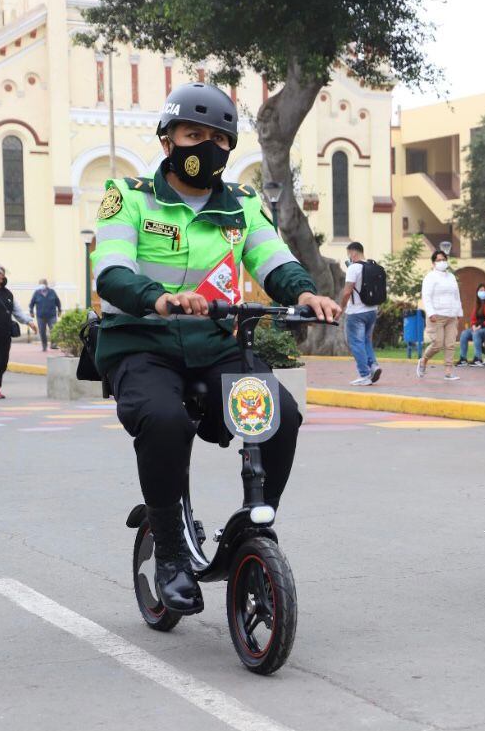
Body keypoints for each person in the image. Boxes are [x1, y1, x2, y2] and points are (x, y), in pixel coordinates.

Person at [91, 83, 341, 614]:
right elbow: (111, 270)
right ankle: (172, 553)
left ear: (228, 148)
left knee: (282, 414)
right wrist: (156, 299)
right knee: (163, 419)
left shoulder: (244, 205)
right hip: (143, 343)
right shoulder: (128, 195)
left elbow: (272, 259)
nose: (204, 146)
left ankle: (258, 523)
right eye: (192, 134)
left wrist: (304, 292)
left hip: (211, 344)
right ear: (168, 141)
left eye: (217, 139)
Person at [416, 250, 462, 381]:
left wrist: (459, 311)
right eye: (438, 260)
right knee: (438, 344)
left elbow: (456, 295)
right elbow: (426, 296)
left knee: (450, 344)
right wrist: (431, 312)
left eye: (444, 259)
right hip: (437, 315)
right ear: (433, 263)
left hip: (451, 315)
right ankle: (424, 360)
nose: (442, 262)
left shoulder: (451, 277)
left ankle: (448, 371)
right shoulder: (430, 277)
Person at [340, 241, 381, 386]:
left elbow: (347, 292)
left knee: (356, 343)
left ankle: (364, 374)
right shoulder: (373, 266)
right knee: (366, 341)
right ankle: (374, 366)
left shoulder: (353, 268)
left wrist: (341, 308)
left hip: (356, 312)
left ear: (352, 253)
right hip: (372, 310)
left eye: (349, 254)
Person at [0, 264, 37, 399]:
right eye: (0, 273)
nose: (2, 275)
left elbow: (17, 310)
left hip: (5, 333)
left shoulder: (8, 294)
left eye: (2, 273)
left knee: (3, 361)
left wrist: (29, 321)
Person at [456, 283, 485, 366]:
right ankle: (463, 359)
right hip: (478, 328)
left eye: (484, 290)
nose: (483, 292)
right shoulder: (478, 304)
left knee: (476, 333)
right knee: (464, 333)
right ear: (477, 292)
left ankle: (478, 359)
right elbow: (473, 318)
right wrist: (473, 326)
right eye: (481, 290)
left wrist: (481, 326)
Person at [28, 278, 63, 352]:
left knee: (53, 330)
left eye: (43, 284)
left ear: (46, 285)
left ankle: (53, 345)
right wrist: (31, 311)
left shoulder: (52, 292)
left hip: (52, 315)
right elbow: (31, 303)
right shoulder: (36, 293)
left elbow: (58, 301)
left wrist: (60, 310)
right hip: (40, 316)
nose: (41, 286)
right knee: (42, 331)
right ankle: (44, 346)